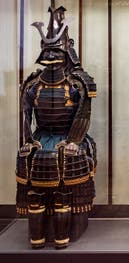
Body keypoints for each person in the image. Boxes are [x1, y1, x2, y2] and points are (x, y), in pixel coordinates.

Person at [16, 3, 97, 249]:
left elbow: (83, 114)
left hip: (69, 135)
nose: (51, 58)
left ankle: (64, 231)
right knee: (32, 167)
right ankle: (38, 233)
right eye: (48, 52)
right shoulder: (32, 84)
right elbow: (25, 115)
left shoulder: (78, 82)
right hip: (41, 136)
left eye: (56, 52)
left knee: (71, 163)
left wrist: (74, 141)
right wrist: (27, 141)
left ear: (66, 51)